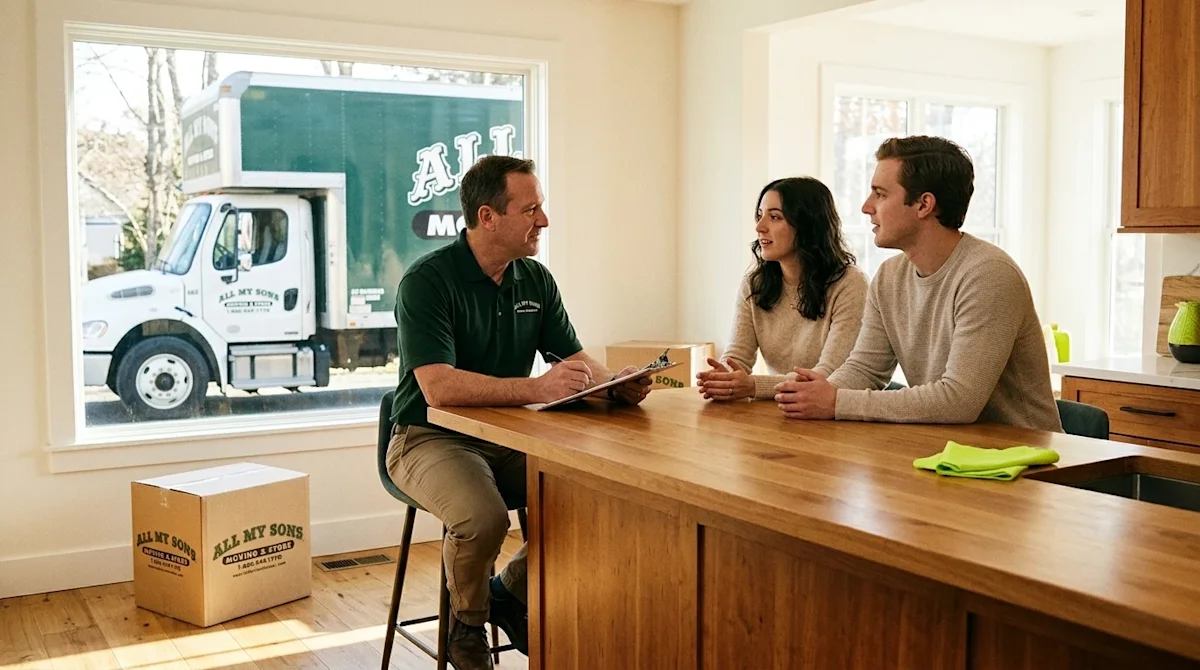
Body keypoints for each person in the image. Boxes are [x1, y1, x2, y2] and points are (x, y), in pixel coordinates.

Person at [385, 155, 652, 670]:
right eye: (531, 210)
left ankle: (505, 593)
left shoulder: (535, 280)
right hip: (427, 437)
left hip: (509, 439)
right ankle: (465, 626)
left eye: (541, 208)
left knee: (596, 499)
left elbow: (573, 359)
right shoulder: (427, 281)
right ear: (488, 217)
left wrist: (615, 385)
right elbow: (438, 388)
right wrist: (535, 387)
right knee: (483, 518)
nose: (543, 220)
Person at [773, 136, 1062, 433]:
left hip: (1027, 453)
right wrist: (818, 394)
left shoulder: (989, 275)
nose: (866, 207)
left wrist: (837, 402)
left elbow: (959, 401)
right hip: (951, 447)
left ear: (924, 204)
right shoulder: (889, 276)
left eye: (880, 194)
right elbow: (865, 369)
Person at [697, 177, 867, 404]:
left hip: (832, 412)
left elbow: (828, 375)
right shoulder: (754, 284)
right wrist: (724, 378)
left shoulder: (850, 283)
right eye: (760, 215)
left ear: (807, 225)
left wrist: (753, 386)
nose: (760, 227)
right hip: (782, 407)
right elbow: (737, 357)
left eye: (775, 217)